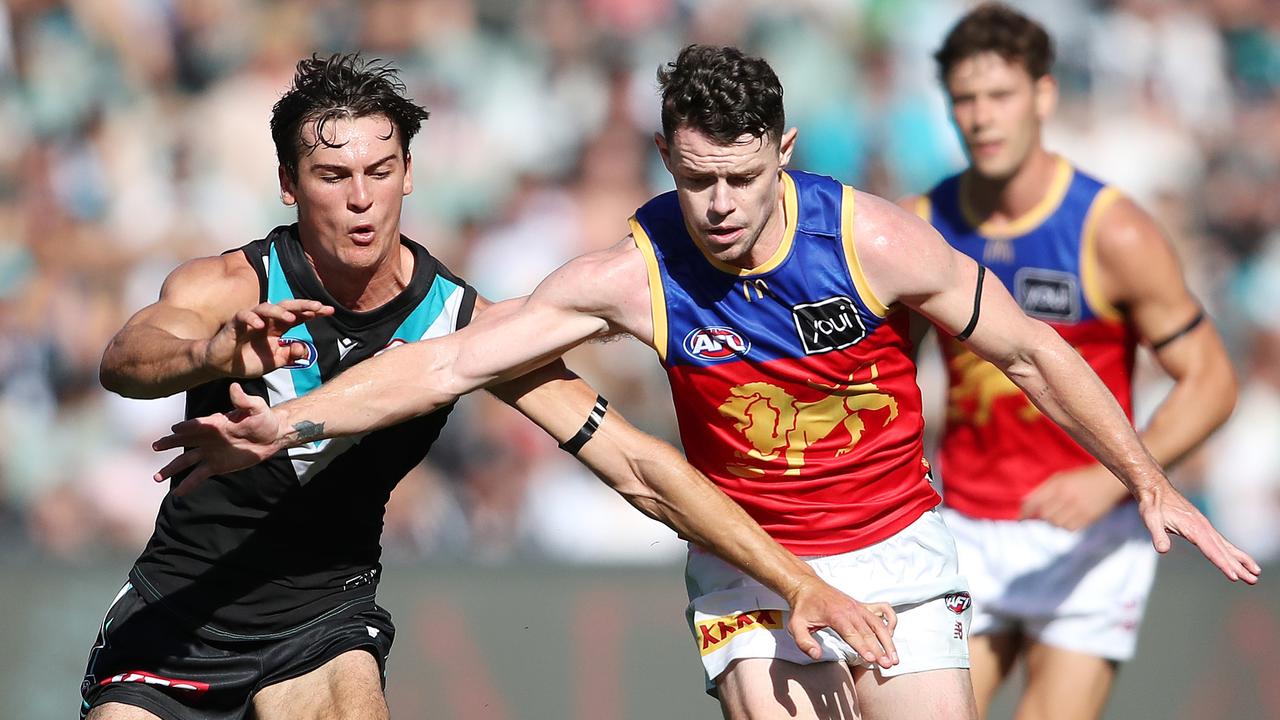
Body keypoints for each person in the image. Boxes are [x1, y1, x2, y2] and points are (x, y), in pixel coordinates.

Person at [157, 45, 1259, 720]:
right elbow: (443, 358)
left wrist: (1142, 473)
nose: (720, 205)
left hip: (892, 547)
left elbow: (1026, 349)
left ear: (781, 150)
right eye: (695, 181)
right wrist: (286, 419)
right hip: (746, 563)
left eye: (740, 177)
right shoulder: (627, 275)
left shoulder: (872, 240)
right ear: (664, 160)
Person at [79, 53, 903, 720]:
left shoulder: (463, 325)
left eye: (381, 170)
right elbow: (128, 356)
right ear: (290, 187)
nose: (361, 200)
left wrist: (800, 581)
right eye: (333, 177)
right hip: (179, 608)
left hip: (320, 622)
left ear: (410, 175)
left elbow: (639, 468)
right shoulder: (235, 284)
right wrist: (212, 354)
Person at [898, 5, 1242, 719]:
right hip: (962, 525)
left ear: (1044, 96)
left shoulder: (1109, 230)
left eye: (1001, 96)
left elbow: (1211, 381)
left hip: (1087, 537)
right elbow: (883, 371)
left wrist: (1109, 479)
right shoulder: (922, 227)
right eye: (965, 99)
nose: (982, 117)